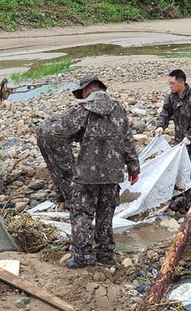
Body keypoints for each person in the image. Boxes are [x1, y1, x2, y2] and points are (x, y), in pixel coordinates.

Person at [37, 75, 141, 269]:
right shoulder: (119, 109)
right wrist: (134, 167)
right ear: (102, 88)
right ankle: (105, 252)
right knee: (105, 213)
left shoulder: (82, 110)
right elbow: (128, 140)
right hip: (113, 173)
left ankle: (84, 256)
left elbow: (52, 132)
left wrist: (66, 164)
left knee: (81, 214)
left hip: (87, 174)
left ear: (86, 91)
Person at [155, 69, 191, 167]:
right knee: (179, 166)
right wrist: (160, 126)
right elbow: (166, 112)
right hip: (179, 139)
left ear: (182, 83)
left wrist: (190, 136)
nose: (170, 86)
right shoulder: (171, 97)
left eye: (172, 83)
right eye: (169, 83)